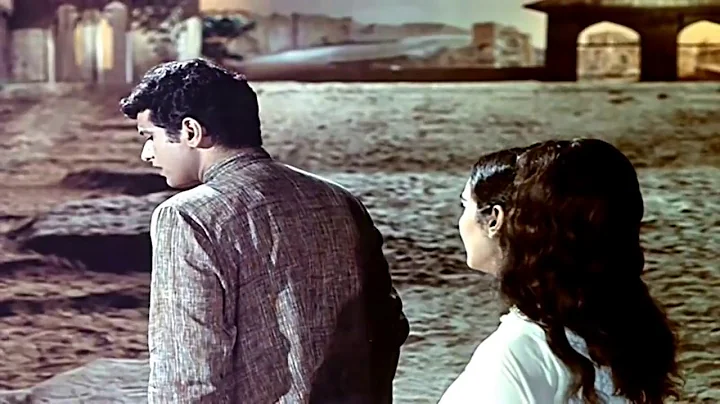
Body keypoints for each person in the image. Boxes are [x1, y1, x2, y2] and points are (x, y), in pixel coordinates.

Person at [120, 58, 409, 403]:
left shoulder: (188, 217)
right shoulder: (339, 199)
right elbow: (388, 327)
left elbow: (187, 375)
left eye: (150, 137)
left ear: (191, 132)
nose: (146, 154)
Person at [440, 139, 682, 403]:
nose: (460, 221)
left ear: (495, 219)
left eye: (465, 205)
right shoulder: (615, 334)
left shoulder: (517, 353)